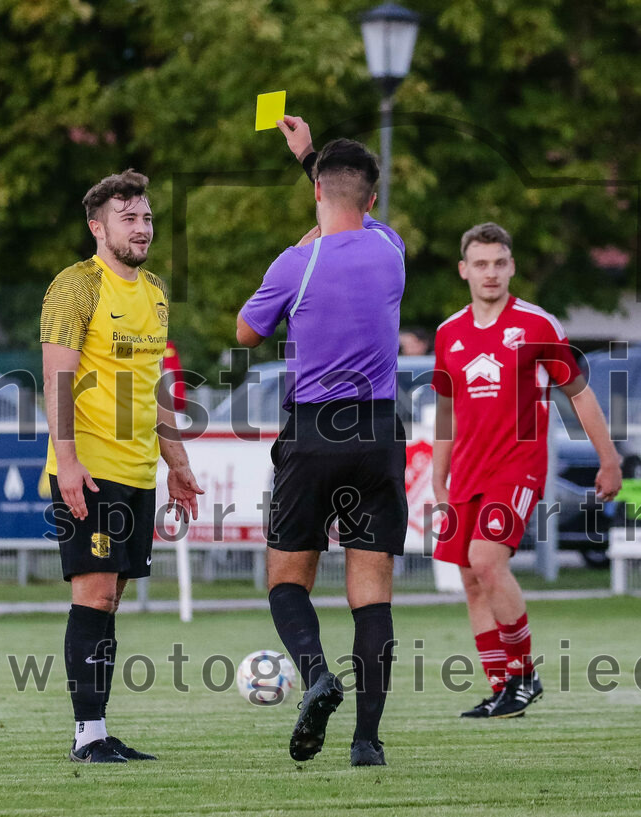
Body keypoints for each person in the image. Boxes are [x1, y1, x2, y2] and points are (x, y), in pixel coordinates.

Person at [236, 116, 408, 767]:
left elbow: (246, 333)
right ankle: (367, 742)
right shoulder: (391, 250)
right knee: (372, 592)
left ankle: (315, 676)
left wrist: (298, 243)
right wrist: (309, 156)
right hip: (378, 431)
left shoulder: (295, 263)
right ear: (372, 198)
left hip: (313, 431)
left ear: (315, 194)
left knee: (287, 579)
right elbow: (351, 209)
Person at [41, 169, 203, 763]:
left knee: (111, 600)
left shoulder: (155, 291)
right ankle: (88, 735)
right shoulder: (76, 286)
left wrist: (177, 464)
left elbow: (156, 388)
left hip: (137, 471)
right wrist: (68, 462)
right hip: (88, 468)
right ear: (97, 226)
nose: (142, 228)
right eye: (128, 218)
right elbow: (56, 379)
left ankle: (99, 731)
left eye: (147, 217)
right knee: (95, 592)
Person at [431, 222, 622, 718]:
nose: (490, 273)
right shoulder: (448, 333)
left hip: (517, 467)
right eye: (480, 264)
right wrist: (437, 475)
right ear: (464, 270)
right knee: (470, 576)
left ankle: (523, 676)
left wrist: (609, 458)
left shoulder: (537, 324)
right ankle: (503, 689)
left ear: (511, 266)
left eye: (499, 263)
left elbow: (579, 394)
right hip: (466, 471)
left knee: (486, 561)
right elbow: (446, 409)